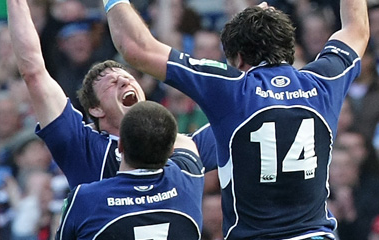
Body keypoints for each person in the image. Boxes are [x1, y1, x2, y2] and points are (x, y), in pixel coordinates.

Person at [104, 0, 370, 238]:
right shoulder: (324, 81)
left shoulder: (232, 89)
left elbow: (134, 47)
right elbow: (357, 27)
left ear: (239, 59)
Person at [6, 0, 216, 191]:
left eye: (129, 79)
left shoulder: (177, 144)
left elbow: (239, 111)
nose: (125, 81)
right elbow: (34, 73)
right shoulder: (82, 148)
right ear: (95, 109)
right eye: (113, 83)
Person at [55, 101, 204, 239]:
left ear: (120, 146)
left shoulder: (84, 199)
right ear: (171, 150)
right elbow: (186, 143)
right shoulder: (189, 177)